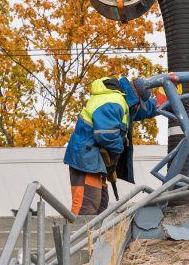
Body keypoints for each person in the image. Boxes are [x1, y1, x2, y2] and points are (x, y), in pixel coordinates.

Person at [63, 76, 159, 215]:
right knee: (86, 208)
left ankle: (95, 237)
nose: (138, 107)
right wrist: (115, 157)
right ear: (135, 97)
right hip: (86, 161)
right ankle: (77, 236)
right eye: (139, 104)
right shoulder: (114, 101)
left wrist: (166, 102)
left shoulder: (123, 101)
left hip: (94, 162)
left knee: (101, 206)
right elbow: (106, 134)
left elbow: (143, 109)